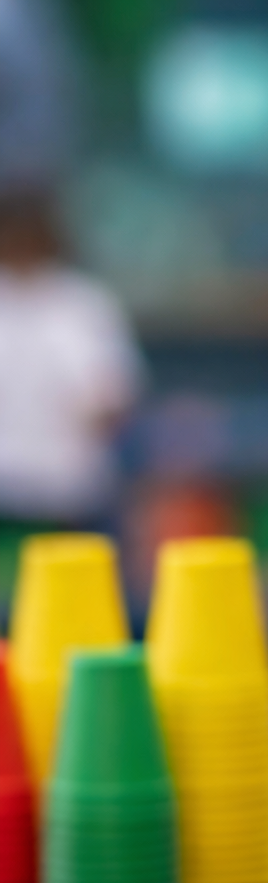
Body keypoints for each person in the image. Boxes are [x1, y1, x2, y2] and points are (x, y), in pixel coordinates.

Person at [0, 193, 143, 594]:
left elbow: (112, 398)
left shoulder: (81, 305)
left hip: (71, 498)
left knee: (79, 614)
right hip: (6, 499)